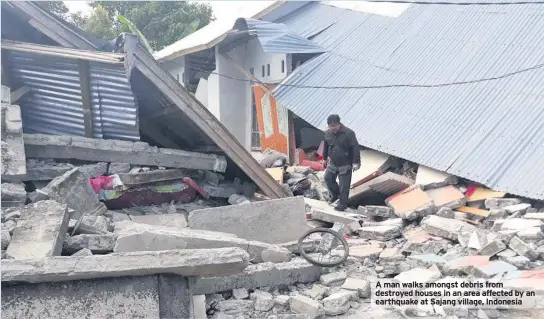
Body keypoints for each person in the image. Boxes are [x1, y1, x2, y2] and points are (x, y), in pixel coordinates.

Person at [321, 114, 361, 211]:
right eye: (331, 126)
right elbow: (325, 145)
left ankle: (343, 204)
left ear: (339, 124)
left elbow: (355, 147)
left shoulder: (349, 133)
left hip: (345, 163)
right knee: (328, 178)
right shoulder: (327, 133)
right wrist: (324, 158)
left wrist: (356, 162)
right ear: (328, 125)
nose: (333, 128)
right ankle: (335, 195)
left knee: (344, 185)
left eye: (335, 126)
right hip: (333, 162)